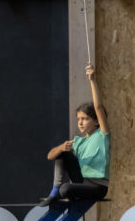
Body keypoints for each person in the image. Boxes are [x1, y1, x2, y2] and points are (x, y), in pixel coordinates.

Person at [40, 64, 109, 206]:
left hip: (97, 187)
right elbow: (50, 156)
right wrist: (61, 148)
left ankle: (62, 192)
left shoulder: (102, 135)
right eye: (79, 119)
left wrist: (92, 80)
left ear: (96, 121)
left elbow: (98, 107)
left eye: (85, 119)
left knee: (66, 188)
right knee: (63, 153)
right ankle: (54, 192)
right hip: (82, 181)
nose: (80, 122)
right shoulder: (78, 141)